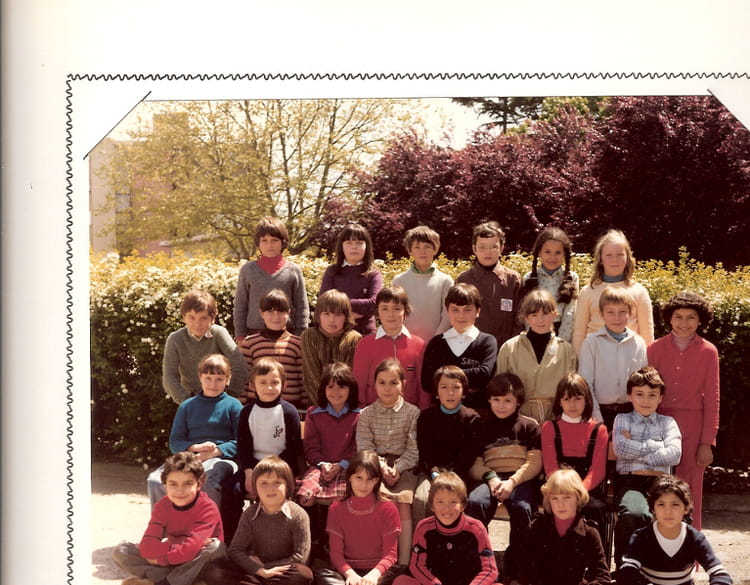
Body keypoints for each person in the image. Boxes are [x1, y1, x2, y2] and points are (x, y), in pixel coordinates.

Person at [148, 354, 242, 540]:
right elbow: (175, 441)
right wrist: (195, 448)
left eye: (219, 379)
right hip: (190, 458)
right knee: (156, 480)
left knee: (208, 481)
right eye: (208, 378)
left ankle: (208, 536)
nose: (213, 384)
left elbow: (241, 441)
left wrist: (214, 452)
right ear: (200, 377)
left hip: (221, 459)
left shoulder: (234, 406)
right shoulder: (187, 406)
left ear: (228, 380)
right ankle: (166, 533)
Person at [647, 291, 719, 530]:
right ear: (669, 318)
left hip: (693, 425)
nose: (684, 323)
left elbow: (713, 399)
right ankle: (658, 542)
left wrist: (707, 442)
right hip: (659, 422)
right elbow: (647, 391)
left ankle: (691, 544)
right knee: (658, 485)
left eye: (691, 317)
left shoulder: (708, 351)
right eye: (678, 316)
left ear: (700, 321)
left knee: (690, 487)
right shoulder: (654, 349)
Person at [466, 372, 542, 581]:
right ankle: (480, 563)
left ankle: (515, 567)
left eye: (507, 400)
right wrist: (491, 478)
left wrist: (512, 482)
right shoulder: (481, 426)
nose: (501, 406)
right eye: (496, 399)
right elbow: (475, 463)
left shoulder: (529, 426)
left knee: (523, 508)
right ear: (489, 400)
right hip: (491, 479)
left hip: (519, 480)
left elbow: (534, 462)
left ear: (518, 401)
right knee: (475, 502)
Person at [113, 451, 226, 585]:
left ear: (199, 484)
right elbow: (148, 545)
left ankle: (162, 581)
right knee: (122, 550)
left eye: (187, 484)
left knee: (215, 547)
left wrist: (161, 558)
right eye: (173, 484)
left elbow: (192, 549)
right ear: (165, 484)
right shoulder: (163, 505)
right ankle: (176, 580)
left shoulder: (207, 508)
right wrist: (170, 551)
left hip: (199, 561)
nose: (179, 491)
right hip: (176, 557)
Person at [225, 358, 304, 541]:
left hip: (281, 467)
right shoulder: (247, 412)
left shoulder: (289, 412)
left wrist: (274, 471)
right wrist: (249, 473)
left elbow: (293, 448)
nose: (269, 388)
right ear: (253, 385)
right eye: (263, 382)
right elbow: (243, 446)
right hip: (253, 467)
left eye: (274, 382)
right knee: (231, 489)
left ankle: (283, 539)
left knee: (284, 493)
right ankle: (232, 539)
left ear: (284, 385)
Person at [612, 366, 682, 570]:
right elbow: (620, 448)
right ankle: (626, 567)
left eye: (652, 395)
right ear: (630, 396)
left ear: (660, 398)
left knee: (672, 513)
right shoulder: (622, 419)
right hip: (630, 481)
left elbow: (675, 454)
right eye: (639, 394)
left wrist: (635, 445)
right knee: (636, 513)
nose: (645, 400)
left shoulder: (668, 423)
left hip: (661, 483)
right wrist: (657, 446)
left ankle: (659, 568)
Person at [204, 456, 313, 585]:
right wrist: (257, 570)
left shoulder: (299, 515)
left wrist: (265, 569)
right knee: (214, 571)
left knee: (302, 574)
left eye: (277, 483)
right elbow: (235, 550)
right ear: (255, 487)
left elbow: (300, 557)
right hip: (255, 570)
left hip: (281, 572)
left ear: (288, 485)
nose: (270, 489)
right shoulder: (249, 514)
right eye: (264, 483)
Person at [357, 358, 420, 565]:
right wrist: (382, 467)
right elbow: (365, 446)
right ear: (374, 385)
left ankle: (403, 561)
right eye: (382, 382)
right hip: (374, 466)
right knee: (377, 499)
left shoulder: (413, 413)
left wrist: (397, 468)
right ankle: (378, 557)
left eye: (393, 383)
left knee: (403, 501)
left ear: (403, 384)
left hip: (405, 466)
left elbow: (413, 449)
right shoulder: (366, 414)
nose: (387, 388)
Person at [620, 475, 733, 585]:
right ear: (653, 509)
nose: (668, 511)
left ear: (686, 508)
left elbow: (720, 573)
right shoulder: (641, 537)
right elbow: (628, 570)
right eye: (661, 504)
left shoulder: (695, 538)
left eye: (675, 505)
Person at [393, 473, 498, 585]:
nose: (446, 509)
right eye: (440, 502)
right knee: (401, 581)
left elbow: (490, 570)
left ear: (463, 505)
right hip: (434, 582)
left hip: (469, 582)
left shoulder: (476, 528)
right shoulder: (423, 528)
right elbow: (417, 566)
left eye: (453, 502)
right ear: (432, 505)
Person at [316, 450, 403, 585]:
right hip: (348, 573)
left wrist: (374, 576)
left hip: (379, 573)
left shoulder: (388, 509)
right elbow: (336, 554)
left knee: (402, 577)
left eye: (370, 479)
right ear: (349, 477)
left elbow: (390, 555)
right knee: (323, 577)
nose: (363, 485)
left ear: (377, 480)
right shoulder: (336, 509)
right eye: (359, 477)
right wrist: (350, 574)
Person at [541, 372, 609, 545]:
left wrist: (578, 493)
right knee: (550, 510)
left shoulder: (599, 430)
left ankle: (595, 557)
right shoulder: (550, 428)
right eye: (567, 399)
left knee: (595, 510)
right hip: (557, 487)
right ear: (559, 401)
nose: (572, 405)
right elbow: (550, 467)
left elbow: (598, 470)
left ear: (587, 400)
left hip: (587, 490)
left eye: (578, 399)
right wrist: (564, 493)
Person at [496, 288, 577, 423]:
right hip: (519, 417)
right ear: (526, 318)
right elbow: (500, 389)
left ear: (554, 315)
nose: (540, 320)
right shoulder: (509, 348)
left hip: (556, 418)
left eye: (545, 314)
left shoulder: (566, 350)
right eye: (534, 315)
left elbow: (571, 389)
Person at [518, 468, 611, 585]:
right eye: (554, 498)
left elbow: (603, 577)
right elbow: (522, 568)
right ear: (548, 500)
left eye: (567, 497)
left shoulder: (589, 533)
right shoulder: (537, 527)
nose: (560, 504)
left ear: (578, 497)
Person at [413, 365, 481, 525]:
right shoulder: (426, 417)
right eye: (444, 387)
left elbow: (469, 455)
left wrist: (451, 476)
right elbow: (425, 451)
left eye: (456, 387)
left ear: (464, 392)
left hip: (459, 473)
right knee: (422, 499)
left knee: (454, 499)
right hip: (431, 472)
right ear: (436, 392)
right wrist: (434, 472)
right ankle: (421, 539)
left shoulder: (472, 418)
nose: (450, 393)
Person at [572, 229, 654, 354]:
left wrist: (647, 361)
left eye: (620, 255)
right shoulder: (588, 291)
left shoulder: (639, 291)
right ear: (601, 259)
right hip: (595, 355)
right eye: (609, 255)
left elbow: (647, 333)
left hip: (629, 355)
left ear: (627, 258)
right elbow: (579, 332)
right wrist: (578, 360)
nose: (614, 260)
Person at [578, 286, 648, 428]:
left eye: (622, 312)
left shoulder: (638, 342)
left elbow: (643, 383)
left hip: (631, 413)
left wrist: (639, 415)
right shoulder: (592, 342)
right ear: (601, 314)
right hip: (601, 412)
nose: (617, 318)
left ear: (630, 313)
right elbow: (586, 383)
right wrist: (596, 417)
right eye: (610, 312)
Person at [420, 283, 497, 412]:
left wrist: (443, 379)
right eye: (455, 310)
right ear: (447, 311)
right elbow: (427, 382)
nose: (461, 316)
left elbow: (485, 375)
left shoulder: (487, 342)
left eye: (467, 310)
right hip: (441, 413)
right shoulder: (436, 343)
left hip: (478, 413)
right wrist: (471, 379)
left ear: (478, 311)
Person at [163, 289, 247, 403]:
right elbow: (169, 376)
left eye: (204, 318)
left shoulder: (218, 333)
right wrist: (186, 401)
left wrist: (230, 395)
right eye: (191, 317)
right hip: (191, 399)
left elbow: (239, 364)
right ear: (183, 317)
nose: (197, 324)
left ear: (212, 318)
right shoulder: (175, 339)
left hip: (220, 397)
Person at [233, 216, 309, 339]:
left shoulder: (293, 270)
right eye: (264, 240)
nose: (269, 245)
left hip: (287, 335)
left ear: (283, 242)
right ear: (258, 243)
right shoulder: (248, 270)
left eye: (274, 240)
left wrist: (300, 335)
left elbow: (302, 306)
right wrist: (240, 336)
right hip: (254, 334)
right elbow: (240, 306)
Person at [353, 286, 428, 409]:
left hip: (410, 414)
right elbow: (359, 384)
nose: (390, 314)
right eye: (384, 308)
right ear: (377, 312)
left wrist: (423, 413)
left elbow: (423, 387)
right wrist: (360, 411)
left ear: (405, 311)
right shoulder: (365, 345)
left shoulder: (419, 345)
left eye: (396, 308)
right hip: (373, 413)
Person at [297, 362, 361, 506]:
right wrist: (322, 464)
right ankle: (313, 522)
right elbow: (311, 447)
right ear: (323, 389)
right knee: (305, 498)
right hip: (320, 467)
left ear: (350, 389)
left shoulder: (358, 415)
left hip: (347, 467)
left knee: (340, 497)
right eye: (330, 386)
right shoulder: (313, 413)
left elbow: (356, 448)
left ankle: (333, 521)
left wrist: (341, 465)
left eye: (341, 387)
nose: (335, 392)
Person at [456, 220, 522, 347]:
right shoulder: (463, 280)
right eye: (482, 247)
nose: (488, 252)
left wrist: (511, 347)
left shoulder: (513, 280)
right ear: (474, 249)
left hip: (505, 349)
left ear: (501, 248)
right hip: (471, 348)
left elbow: (520, 319)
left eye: (494, 247)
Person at [240, 288, 305, 408]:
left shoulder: (297, 344)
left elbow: (303, 379)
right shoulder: (250, 343)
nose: (276, 317)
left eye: (281, 311)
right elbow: (244, 378)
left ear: (288, 312)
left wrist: (305, 405)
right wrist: (242, 405)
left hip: (290, 407)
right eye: (270, 311)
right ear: (261, 313)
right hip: (257, 406)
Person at [300, 289, 362, 405]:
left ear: (346, 317)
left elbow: (349, 378)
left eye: (338, 315)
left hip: (346, 404)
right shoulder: (309, 336)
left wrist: (339, 406)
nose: (332, 320)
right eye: (326, 314)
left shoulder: (354, 339)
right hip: (317, 403)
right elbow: (311, 374)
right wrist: (325, 406)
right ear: (318, 315)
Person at [319, 223, 383, 335]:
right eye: (349, 243)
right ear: (342, 246)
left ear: (366, 246)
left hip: (365, 333)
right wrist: (350, 314)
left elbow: (374, 303)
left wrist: (340, 307)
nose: (354, 247)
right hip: (336, 333)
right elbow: (324, 302)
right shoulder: (332, 271)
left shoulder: (373, 274)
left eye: (359, 243)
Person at [392, 225, 453, 342]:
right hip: (405, 342)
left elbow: (447, 315)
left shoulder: (445, 281)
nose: (422, 251)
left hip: (436, 343)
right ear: (410, 251)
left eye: (427, 247)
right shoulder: (399, 280)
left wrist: (435, 340)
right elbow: (395, 312)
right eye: (417, 247)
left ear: (435, 249)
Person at [521, 226, 580, 342]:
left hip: (562, 332)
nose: (552, 257)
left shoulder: (571, 278)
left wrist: (561, 341)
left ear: (564, 254)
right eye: (547, 252)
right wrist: (531, 337)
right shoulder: (529, 278)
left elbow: (570, 312)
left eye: (558, 252)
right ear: (539, 252)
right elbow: (527, 312)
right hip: (535, 332)